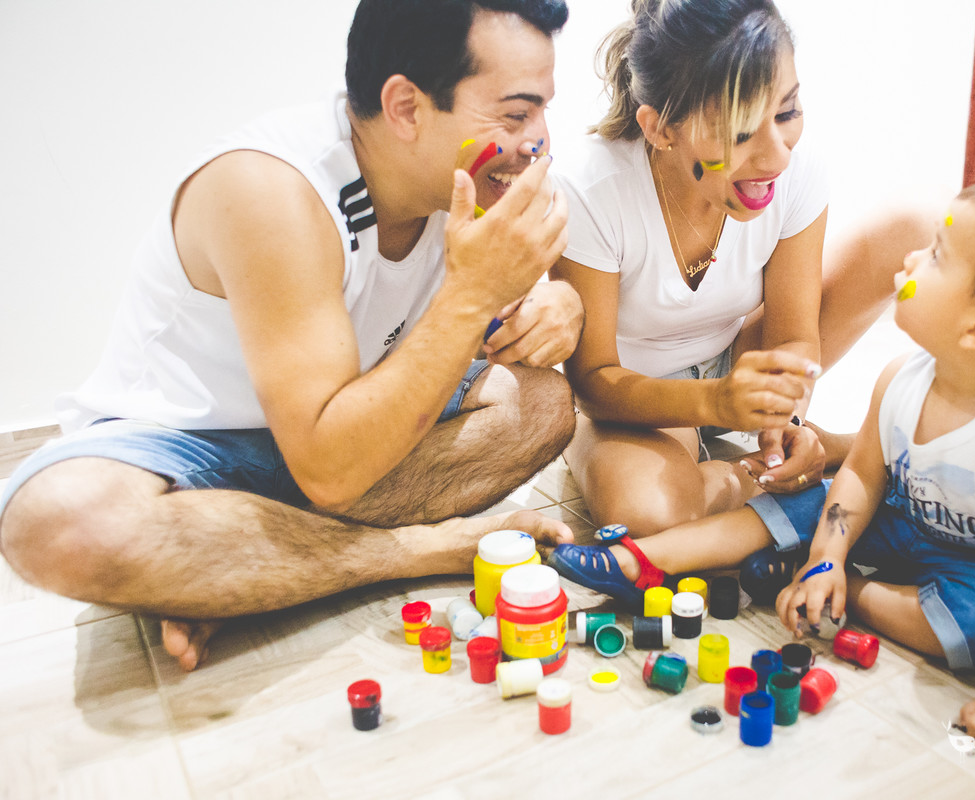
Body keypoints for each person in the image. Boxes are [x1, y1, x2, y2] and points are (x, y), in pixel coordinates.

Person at [0, 0, 583, 672]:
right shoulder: (272, 189)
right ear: (406, 107)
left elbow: (500, 330)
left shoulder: (462, 184)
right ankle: (413, 552)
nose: (539, 140)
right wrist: (472, 292)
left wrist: (558, 302)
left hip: (335, 437)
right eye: (515, 115)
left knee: (543, 404)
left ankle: (240, 561)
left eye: (541, 111)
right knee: (61, 525)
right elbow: (331, 473)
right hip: (190, 450)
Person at [550, 157, 975, 743]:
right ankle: (637, 560)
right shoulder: (901, 379)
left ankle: (855, 597)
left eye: (938, 258)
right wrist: (828, 553)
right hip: (895, 517)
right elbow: (859, 478)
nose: (912, 264)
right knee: (795, 509)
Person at [551, 0, 931, 538]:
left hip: (736, 356)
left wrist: (785, 422)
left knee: (917, 224)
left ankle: (810, 452)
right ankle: (801, 468)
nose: (776, 157)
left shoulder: (794, 174)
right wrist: (717, 406)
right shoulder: (590, 189)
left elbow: (795, 336)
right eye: (739, 133)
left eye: (786, 113)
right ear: (659, 129)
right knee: (647, 515)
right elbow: (592, 383)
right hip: (636, 392)